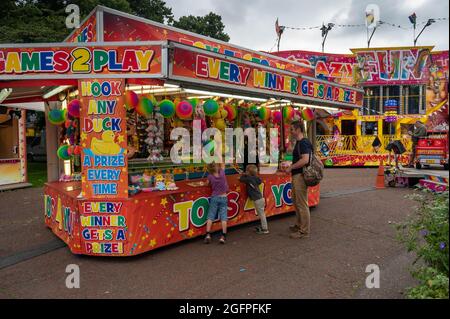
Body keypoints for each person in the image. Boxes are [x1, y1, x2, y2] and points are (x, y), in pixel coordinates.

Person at [285, 121, 312, 239]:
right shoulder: (299, 142)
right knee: (296, 202)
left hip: (300, 176)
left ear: (298, 130)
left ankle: (304, 231)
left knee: (302, 204)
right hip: (296, 175)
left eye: (292, 129)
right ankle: (299, 224)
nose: (291, 131)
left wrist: (291, 167)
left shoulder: (304, 142)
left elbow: (305, 160)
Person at [239, 164, 269, 234]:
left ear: (249, 173)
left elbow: (241, 179)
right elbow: (259, 180)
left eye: (246, 171)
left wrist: (244, 175)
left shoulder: (249, 179)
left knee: (261, 214)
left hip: (257, 200)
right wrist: (247, 174)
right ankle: (263, 227)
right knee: (261, 214)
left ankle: (265, 229)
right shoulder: (255, 178)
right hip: (260, 198)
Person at [204, 162, 229, 244]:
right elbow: (222, 163)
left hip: (214, 197)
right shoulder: (222, 173)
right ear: (218, 167)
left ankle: (207, 234)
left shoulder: (210, 176)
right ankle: (223, 236)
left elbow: (207, 184)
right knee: (223, 217)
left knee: (210, 216)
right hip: (223, 197)